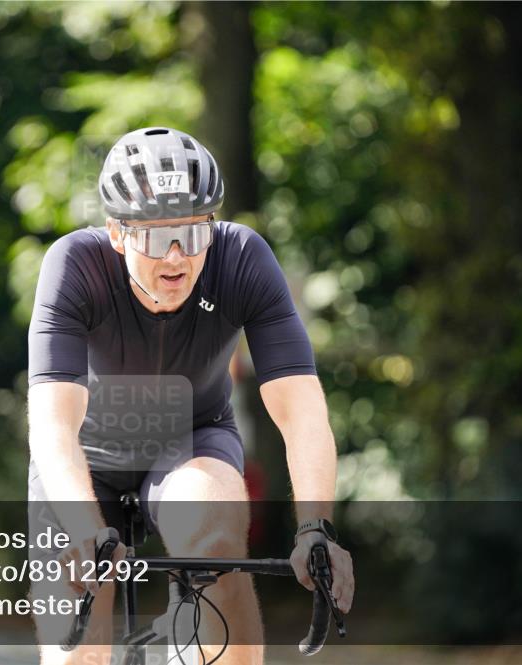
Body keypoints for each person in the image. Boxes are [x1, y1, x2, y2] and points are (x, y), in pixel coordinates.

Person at [26, 127, 354, 665]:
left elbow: (301, 411)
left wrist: (315, 527)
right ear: (116, 231)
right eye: (156, 237)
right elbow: (53, 426)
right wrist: (86, 531)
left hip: (191, 439)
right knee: (77, 646)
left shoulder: (242, 257)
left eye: (194, 233)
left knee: (215, 531)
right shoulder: (73, 266)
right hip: (83, 460)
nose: (177, 255)